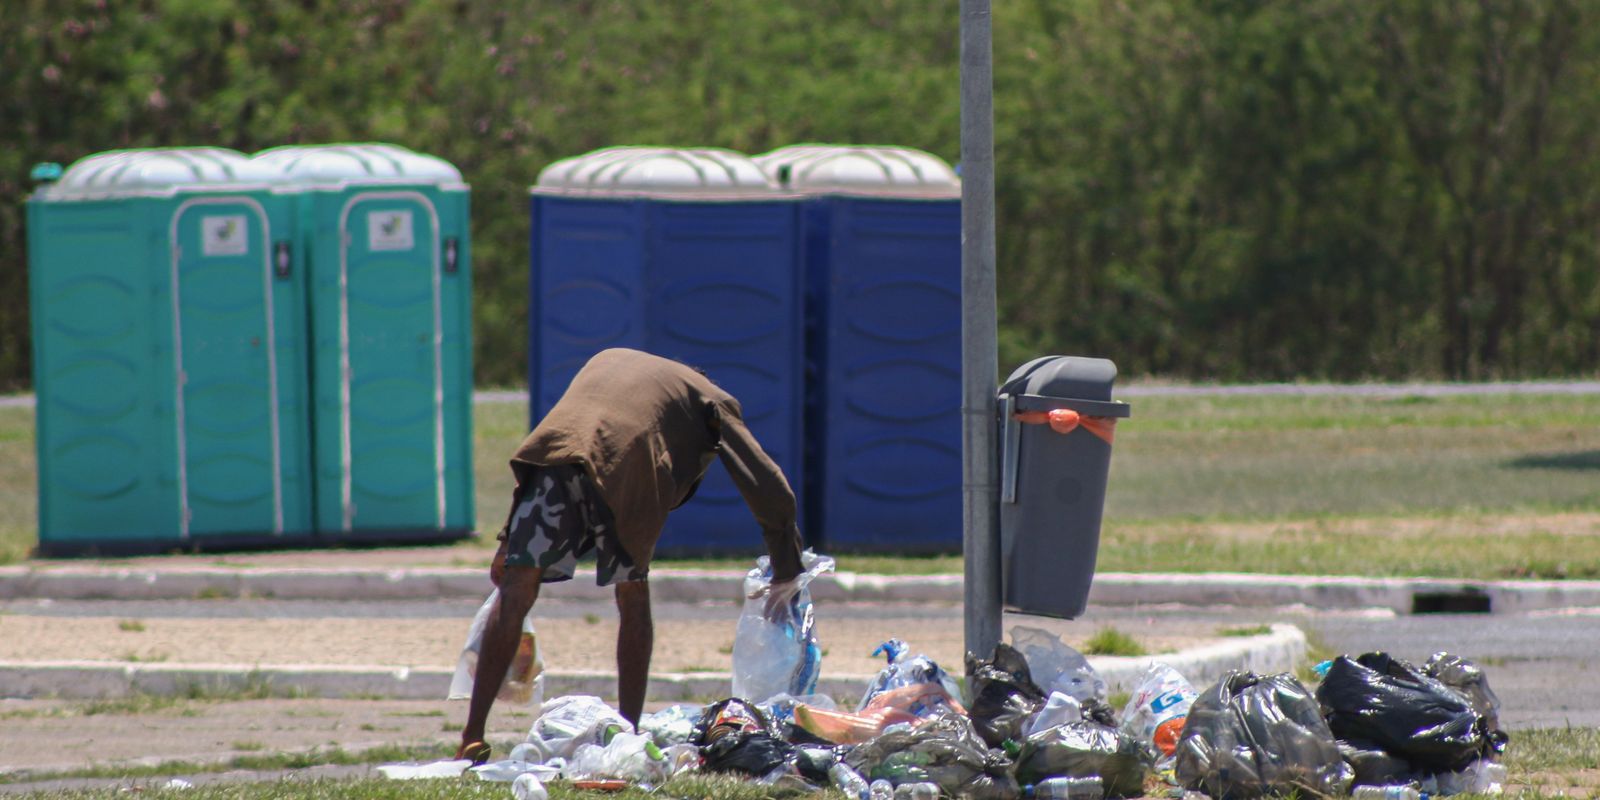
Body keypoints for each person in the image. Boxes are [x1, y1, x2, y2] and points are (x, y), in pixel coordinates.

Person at [455, 348, 804, 763]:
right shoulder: (709, 397)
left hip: (553, 454)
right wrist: (787, 568)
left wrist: (507, 543)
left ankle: (471, 738)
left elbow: (573, 425)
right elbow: (765, 481)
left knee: (516, 589)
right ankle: (628, 734)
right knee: (632, 595)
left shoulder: (611, 357)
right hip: (629, 465)